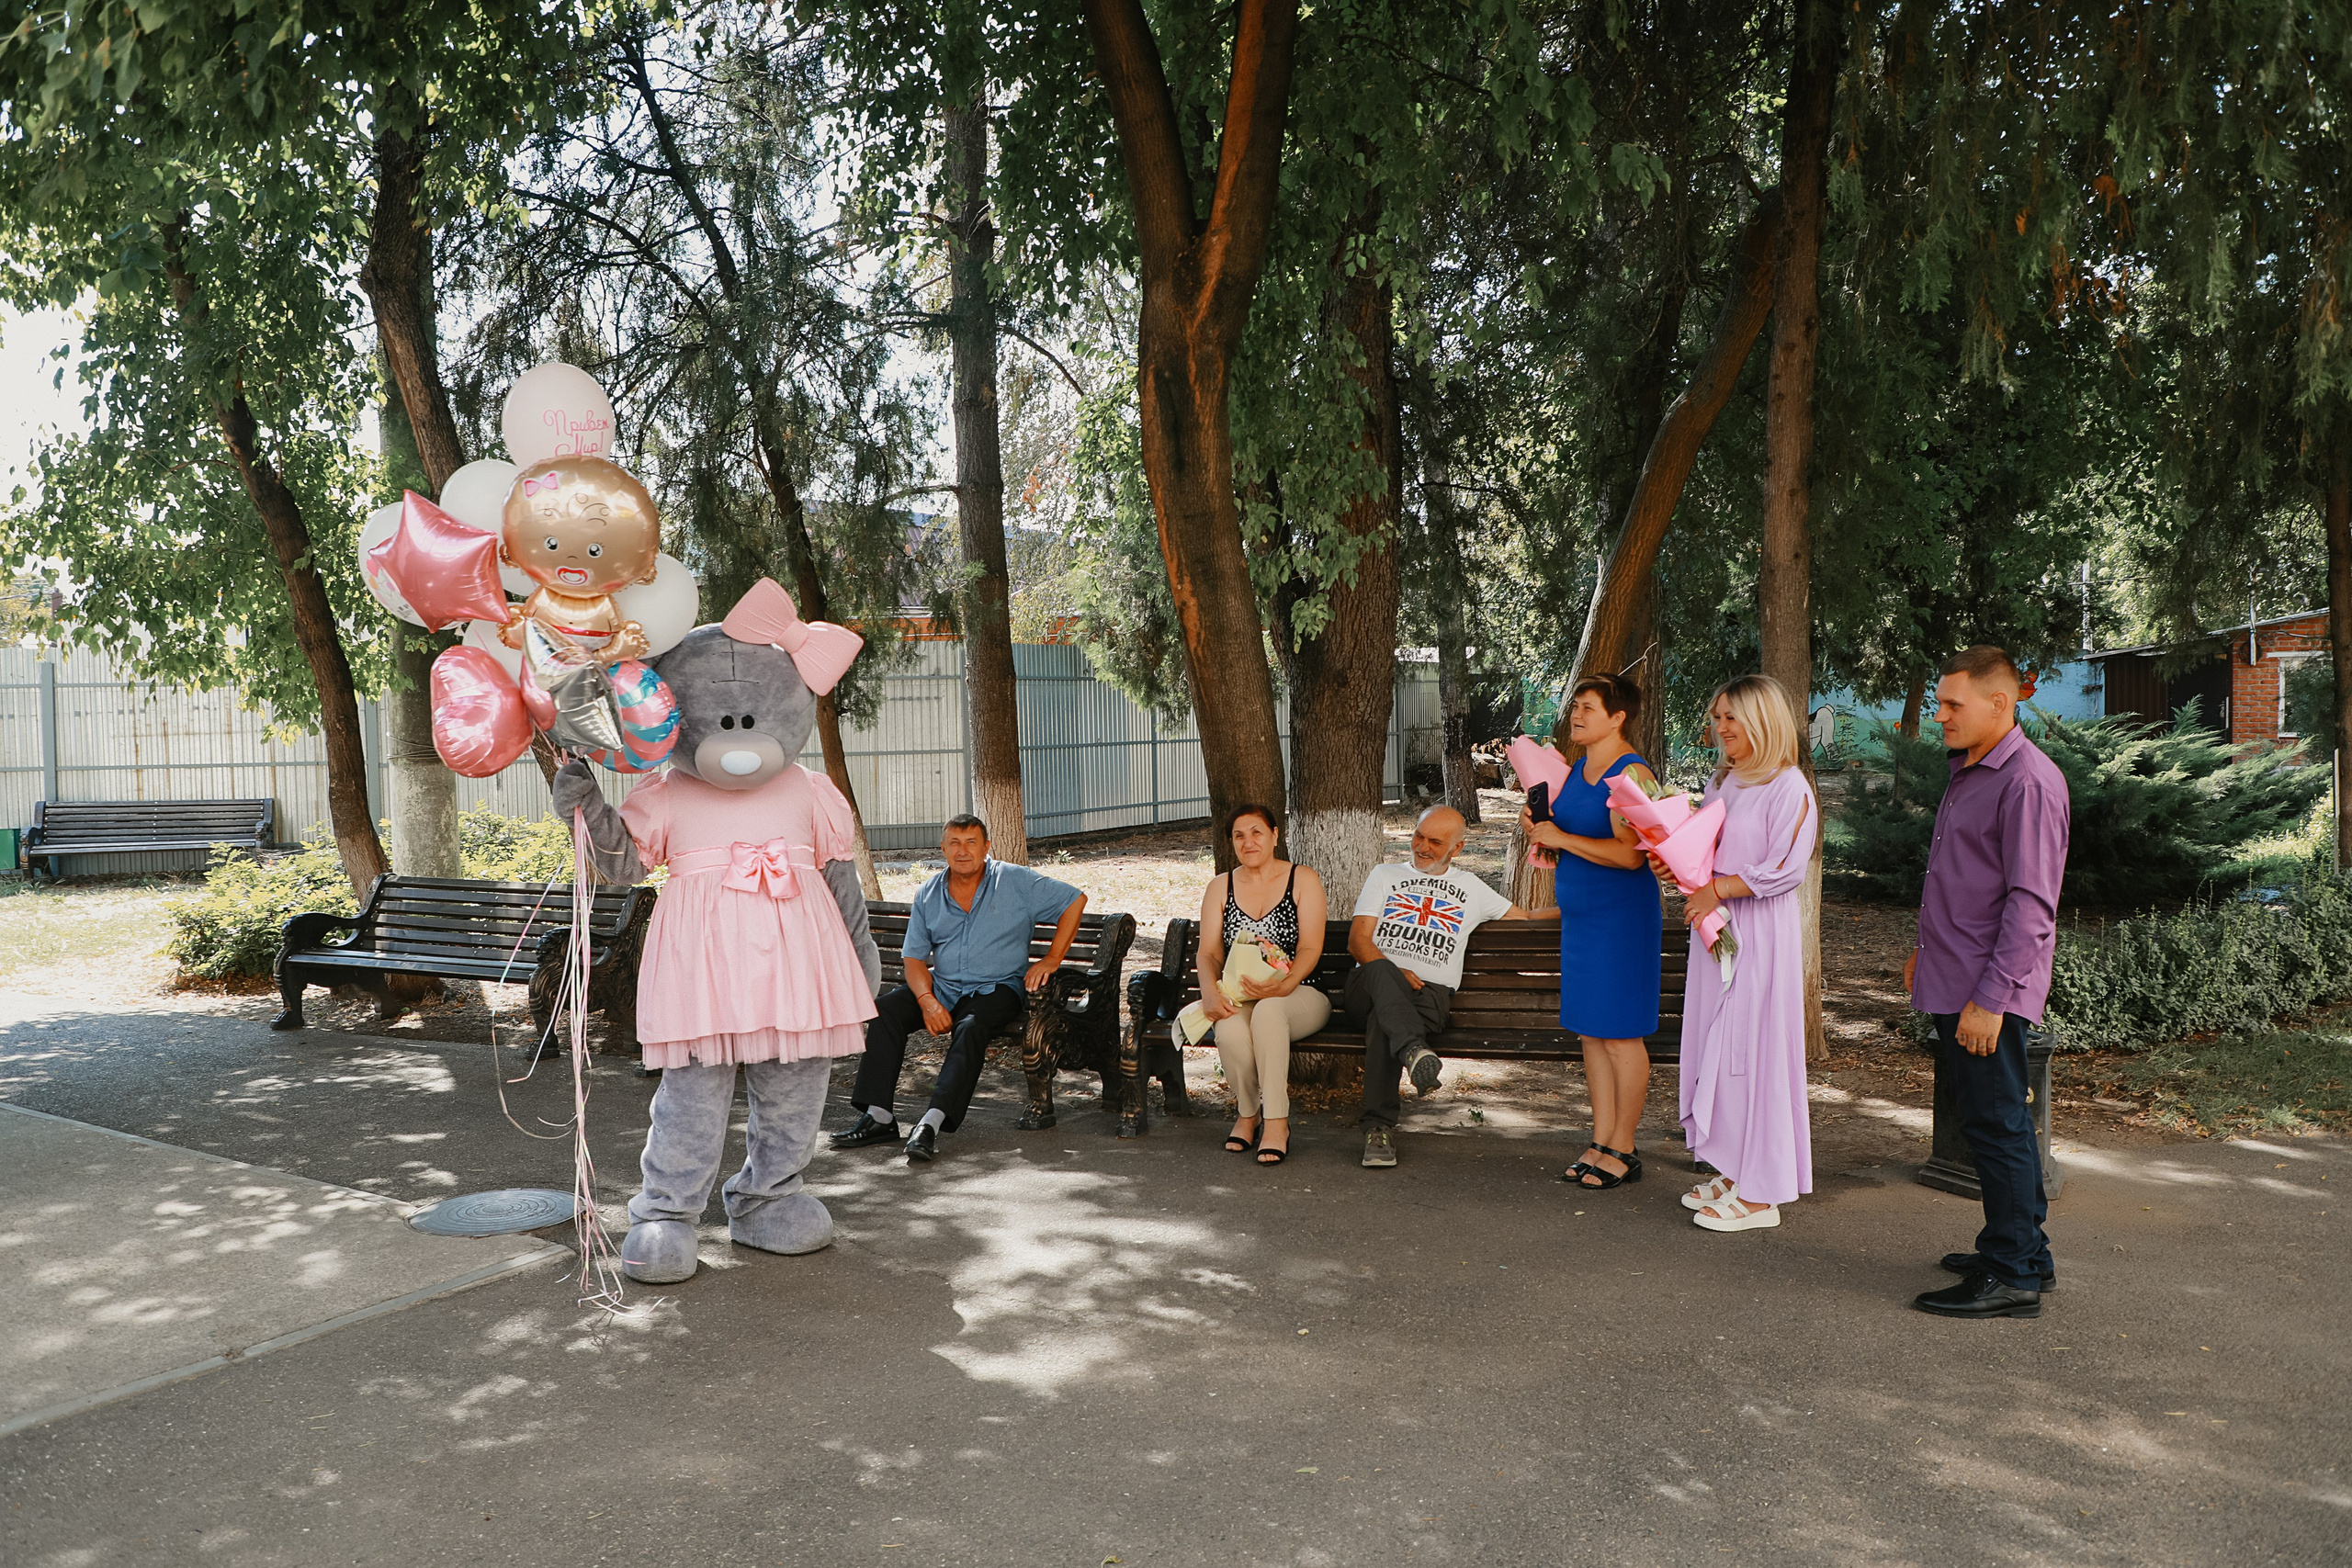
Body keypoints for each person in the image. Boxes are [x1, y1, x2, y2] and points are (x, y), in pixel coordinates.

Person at [1906, 646, 2069, 1319]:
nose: (1938, 716)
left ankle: (2011, 1273)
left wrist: (1989, 999)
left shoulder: (2026, 781)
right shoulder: (1971, 767)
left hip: (1986, 990)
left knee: (1997, 1122)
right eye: (1940, 703)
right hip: (1957, 973)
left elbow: (2031, 907)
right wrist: (1925, 950)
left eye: (1952, 705)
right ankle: (2026, 1250)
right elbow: (1960, 877)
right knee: (1994, 1118)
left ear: (2000, 703)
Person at [831, 815, 1086, 1164]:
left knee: (970, 1026)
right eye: (954, 843)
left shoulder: (1014, 881)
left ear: (986, 847)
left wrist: (1052, 959)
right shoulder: (929, 893)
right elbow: (915, 960)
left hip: (998, 989)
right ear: (943, 848)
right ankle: (879, 1117)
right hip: (945, 987)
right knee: (886, 1010)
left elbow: (1075, 900)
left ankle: (931, 1124)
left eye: (971, 843)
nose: (962, 851)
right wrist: (927, 1001)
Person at [1671, 673, 1819, 1233]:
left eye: (1731, 716)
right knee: (1718, 1045)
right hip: (1714, 932)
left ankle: (1765, 1192)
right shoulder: (1725, 781)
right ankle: (1737, 1167)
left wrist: (1719, 888)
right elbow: (1705, 851)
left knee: (1753, 1050)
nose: (1721, 727)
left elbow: (1786, 869)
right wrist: (1678, 865)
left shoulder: (1789, 787)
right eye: (1718, 717)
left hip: (1757, 934)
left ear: (1763, 719)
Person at [1345, 805, 1553, 1168]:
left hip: (1429, 996)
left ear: (1457, 848)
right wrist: (1395, 971)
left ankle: (1378, 1129)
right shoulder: (1384, 874)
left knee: (1386, 1017)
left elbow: (1527, 917)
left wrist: (1584, 907)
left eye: (1434, 842)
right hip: (1368, 984)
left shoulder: (1471, 888)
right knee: (1381, 979)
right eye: (1418, 837)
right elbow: (1359, 941)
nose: (1422, 847)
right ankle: (1412, 1050)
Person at [1519, 673, 1663, 1190]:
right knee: (1592, 1035)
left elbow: (1631, 856)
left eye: (1587, 707)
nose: (1575, 715)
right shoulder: (1579, 767)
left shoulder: (1634, 773)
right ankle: (1601, 1140)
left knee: (1621, 1037)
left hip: (1621, 922)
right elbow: (1568, 834)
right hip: (1580, 923)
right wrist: (1540, 826)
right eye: (1574, 706)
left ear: (1617, 717)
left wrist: (1563, 835)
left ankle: (1624, 1147)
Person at [1195, 805, 1330, 1166]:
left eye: (1256, 832)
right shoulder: (1220, 887)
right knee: (1229, 1027)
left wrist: (1285, 985)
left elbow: (1311, 947)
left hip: (1301, 993)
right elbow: (1207, 953)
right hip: (1242, 996)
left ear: (1274, 835)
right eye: (1239, 835)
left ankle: (1276, 1122)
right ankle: (1248, 1113)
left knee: (1269, 1012)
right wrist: (1209, 992)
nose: (1248, 841)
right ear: (1231, 843)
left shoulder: (1301, 879)